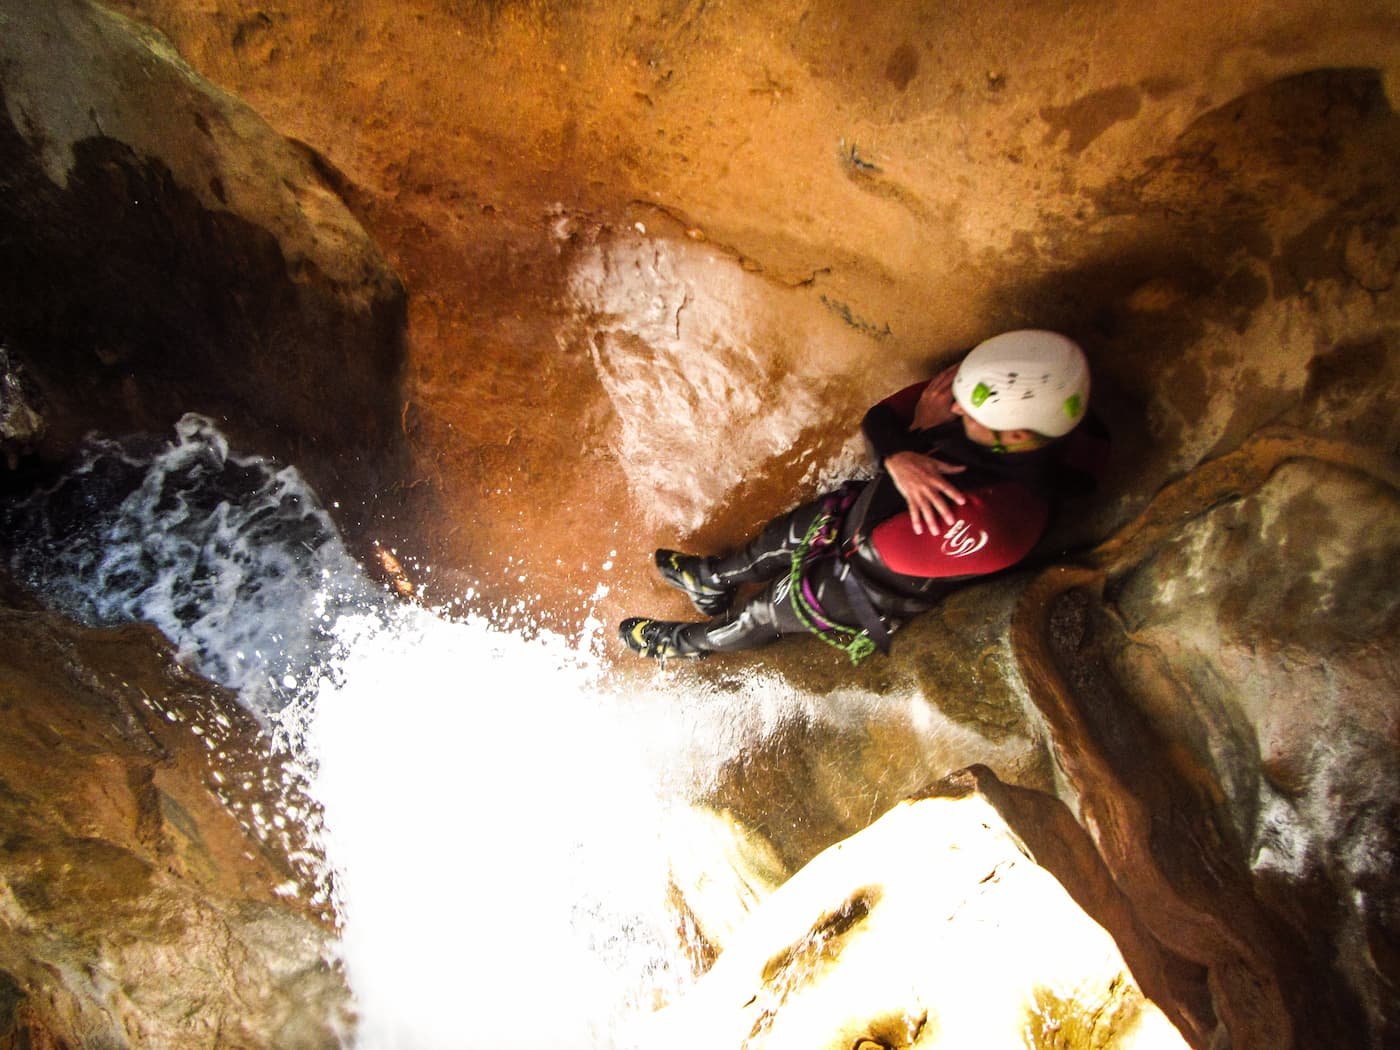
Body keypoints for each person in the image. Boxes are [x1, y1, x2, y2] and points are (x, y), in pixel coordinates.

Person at [618, 329, 1102, 662]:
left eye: (970, 413)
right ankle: (711, 579)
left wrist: (908, 444)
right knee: (771, 541)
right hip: (864, 514)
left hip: (869, 582)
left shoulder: (997, 523)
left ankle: (688, 642)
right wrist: (902, 453)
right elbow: (882, 415)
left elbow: (889, 543)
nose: (953, 404)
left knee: (763, 612)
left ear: (1015, 437)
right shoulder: (994, 394)